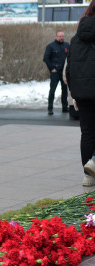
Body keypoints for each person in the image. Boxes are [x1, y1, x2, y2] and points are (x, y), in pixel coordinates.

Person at [66, 3, 95, 187]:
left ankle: (88, 175)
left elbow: (69, 70)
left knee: (87, 133)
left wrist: (75, 93)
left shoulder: (75, 39)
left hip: (83, 94)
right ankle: (94, 162)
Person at [43, 30, 69, 116]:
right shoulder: (51, 46)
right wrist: (52, 68)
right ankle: (50, 108)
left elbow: (70, 57)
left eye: (63, 36)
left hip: (64, 72)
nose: (61, 38)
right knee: (52, 90)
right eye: (60, 36)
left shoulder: (67, 45)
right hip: (55, 71)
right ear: (56, 37)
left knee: (65, 90)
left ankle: (65, 107)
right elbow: (46, 58)